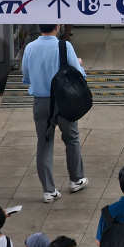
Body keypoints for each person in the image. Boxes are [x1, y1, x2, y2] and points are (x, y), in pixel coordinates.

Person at [22, 23, 87, 201]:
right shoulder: (64, 46)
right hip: (64, 103)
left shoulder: (30, 47)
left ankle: (49, 191)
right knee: (72, 139)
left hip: (41, 104)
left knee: (44, 144)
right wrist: (80, 64)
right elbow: (77, 74)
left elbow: (26, 76)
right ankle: (76, 179)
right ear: (58, 27)